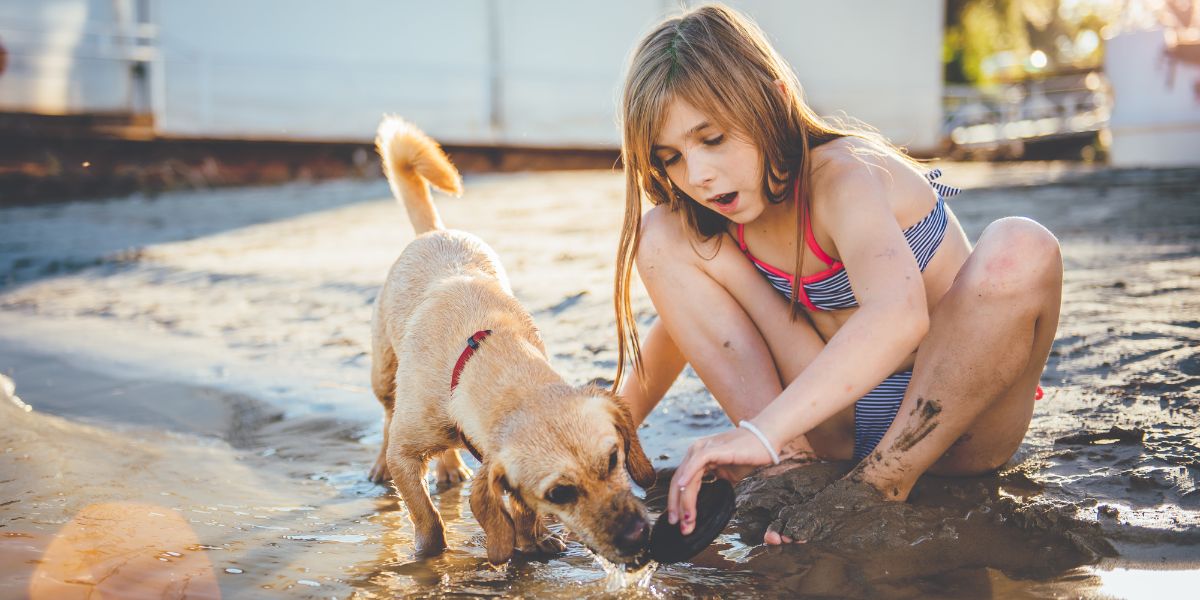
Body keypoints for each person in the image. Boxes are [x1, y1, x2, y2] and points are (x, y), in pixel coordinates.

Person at [612, 4, 1062, 545]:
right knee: (661, 232)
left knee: (1022, 245)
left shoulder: (847, 176)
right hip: (833, 425)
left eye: (712, 140)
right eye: (671, 158)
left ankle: (879, 485)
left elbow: (898, 316)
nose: (699, 175)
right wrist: (602, 439)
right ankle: (789, 470)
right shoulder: (727, 211)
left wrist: (758, 432)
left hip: (954, 423)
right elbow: (689, 327)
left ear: (775, 98)